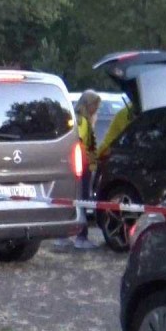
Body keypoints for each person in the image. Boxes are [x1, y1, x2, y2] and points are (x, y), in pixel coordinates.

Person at [58, 90, 101, 250]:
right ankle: (81, 237)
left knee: (71, 200)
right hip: (82, 167)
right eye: (95, 106)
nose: (96, 109)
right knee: (82, 200)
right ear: (88, 105)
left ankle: (63, 235)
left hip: (74, 166)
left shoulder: (75, 119)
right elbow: (79, 142)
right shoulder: (83, 122)